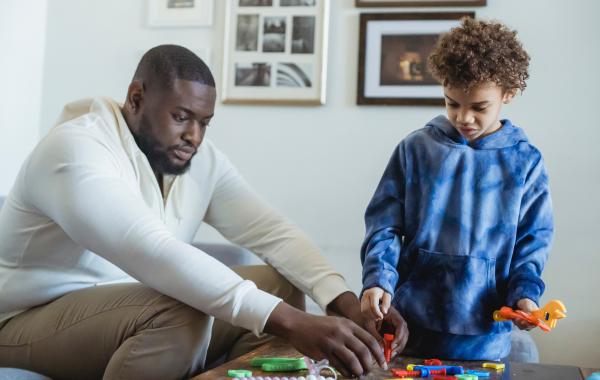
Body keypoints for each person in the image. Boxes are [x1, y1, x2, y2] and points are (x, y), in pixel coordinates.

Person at [0, 44, 388, 379]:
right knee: (179, 313)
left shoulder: (196, 160)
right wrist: (293, 321)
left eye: (204, 123)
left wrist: (344, 303)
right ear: (136, 98)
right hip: (24, 322)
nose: (194, 137)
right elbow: (150, 250)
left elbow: (272, 232)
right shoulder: (74, 150)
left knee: (279, 284)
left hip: (120, 309)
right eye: (181, 117)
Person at [359, 18, 553, 361]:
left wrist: (525, 295)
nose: (464, 117)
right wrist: (377, 279)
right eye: (452, 103)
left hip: (485, 332)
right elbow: (385, 225)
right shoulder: (416, 149)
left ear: (508, 94)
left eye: (479, 107)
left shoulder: (525, 161)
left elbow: (532, 241)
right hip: (410, 325)